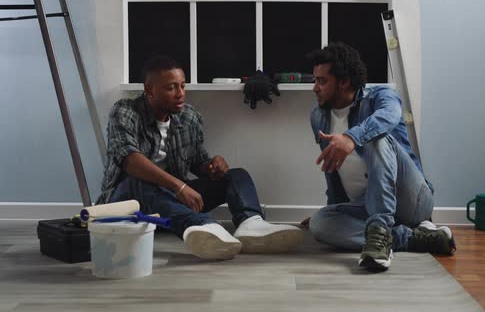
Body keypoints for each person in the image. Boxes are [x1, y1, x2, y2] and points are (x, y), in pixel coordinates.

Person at [97, 56, 303, 260]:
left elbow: (197, 162)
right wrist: (179, 186)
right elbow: (130, 161)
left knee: (236, 175)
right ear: (150, 90)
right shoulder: (125, 111)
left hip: (172, 204)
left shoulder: (189, 116)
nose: (180, 94)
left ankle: (251, 225)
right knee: (138, 183)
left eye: (182, 86)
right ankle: (203, 225)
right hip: (128, 206)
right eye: (171, 88)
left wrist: (213, 166)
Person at [304, 43, 456, 272]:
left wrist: (351, 137)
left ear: (344, 81)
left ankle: (381, 231)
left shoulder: (380, 96)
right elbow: (332, 170)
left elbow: (390, 115)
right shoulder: (318, 116)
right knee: (319, 223)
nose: (315, 87)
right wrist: (334, 213)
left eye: (322, 81)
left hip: (411, 200)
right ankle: (413, 238)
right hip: (365, 204)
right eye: (314, 80)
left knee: (377, 136)